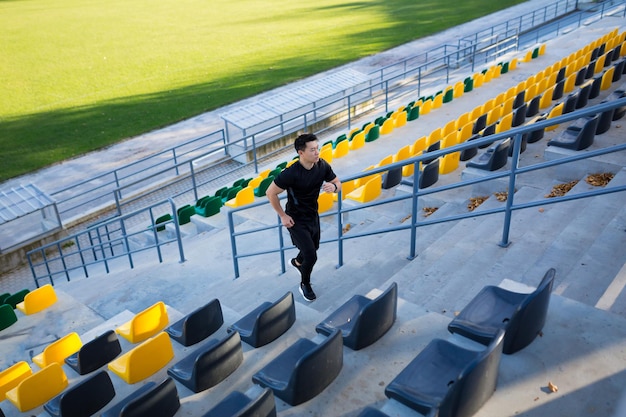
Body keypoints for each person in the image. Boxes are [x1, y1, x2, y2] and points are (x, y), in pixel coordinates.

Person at [266, 133, 341, 301]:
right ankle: (305, 284)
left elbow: (338, 182)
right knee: (311, 255)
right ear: (301, 152)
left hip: (313, 215)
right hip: (295, 219)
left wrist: (333, 187)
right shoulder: (290, 173)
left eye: (317, 149)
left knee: (312, 249)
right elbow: (270, 193)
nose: (317, 153)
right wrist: (283, 216)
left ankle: (297, 262)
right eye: (313, 150)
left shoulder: (322, 166)